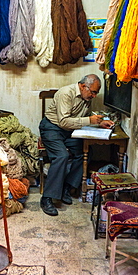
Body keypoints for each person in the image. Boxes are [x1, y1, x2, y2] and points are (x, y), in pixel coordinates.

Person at [39, 74, 114, 216]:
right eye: (93, 92)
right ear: (83, 86)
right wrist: (89, 120)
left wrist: (98, 122)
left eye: (96, 93)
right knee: (61, 156)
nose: (94, 96)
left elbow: (81, 118)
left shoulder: (86, 97)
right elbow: (64, 122)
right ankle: (47, 198)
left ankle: (67, 187)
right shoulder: (66, 93)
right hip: (52, 127)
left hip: (69, 131)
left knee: (86, 152)